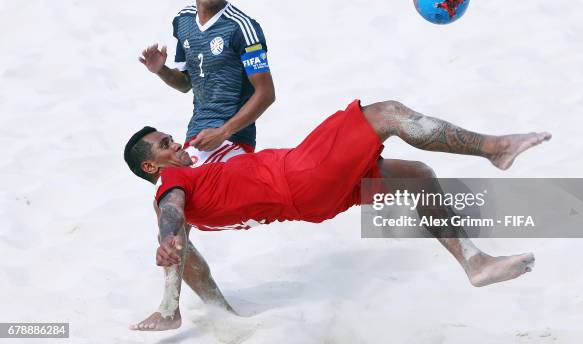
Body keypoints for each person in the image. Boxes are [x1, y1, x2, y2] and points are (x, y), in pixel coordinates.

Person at [124, 99, 551, 330]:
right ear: (152, 168)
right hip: (304, 175)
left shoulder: (196, 181)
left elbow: (187, 256)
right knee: (387, 114)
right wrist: (167, 236)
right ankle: (494, 148)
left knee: (419, 176)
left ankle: (475, 262)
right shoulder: (171, 188)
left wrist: (174, 305)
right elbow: (172, 215)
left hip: (314, 202)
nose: (175, 143)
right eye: (165, 146)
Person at [137, 0, 276, 318]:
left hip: (232, 141)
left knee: (171, 204)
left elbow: (267, 93)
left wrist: (225, 131)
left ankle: (171, 309)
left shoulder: (243, 28)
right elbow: (186, 84)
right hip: (198, 136)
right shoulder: (183, 22)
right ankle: (198, 308)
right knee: (168, 210)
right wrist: (161, 71)